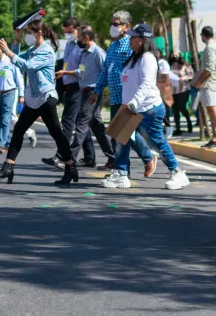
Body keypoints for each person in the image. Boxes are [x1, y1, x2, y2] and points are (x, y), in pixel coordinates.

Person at [0, 20, 77, 185]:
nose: (28, 36)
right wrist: (16, 41)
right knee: (19, 130)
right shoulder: (31, 50)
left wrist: (7, 50)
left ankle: (70, 166)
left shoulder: (46, 52)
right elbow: (16, 62)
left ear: (39, 33)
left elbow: (27, 65)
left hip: (46, 97)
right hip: (33, 98)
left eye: (29, 33)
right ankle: (8, 167)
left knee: (57, 133)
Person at [104, 23, 190, 190]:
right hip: (132, 109)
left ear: (142, 40)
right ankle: (121, 175)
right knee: (122, 140)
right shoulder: (134, 58)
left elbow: (146, 84)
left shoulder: (148, 58)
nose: (129, 39)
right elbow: (129, 85)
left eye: (133, 36)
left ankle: (178, 173)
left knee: (155, 142)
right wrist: (125, 106)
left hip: (149, 109)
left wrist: (133, 103)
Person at [88, 11, 157, 176]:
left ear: (127, 26)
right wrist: (96, 91)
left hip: (128, 96)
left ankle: (123, 169)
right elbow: (106, 70)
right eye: (112, 23)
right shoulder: (112, 46)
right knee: (120, 134)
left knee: (122, 134)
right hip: (115, 96)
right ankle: (140, 160)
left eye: (117, 23)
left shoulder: (131, 44)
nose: (113, 27)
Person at [43, 17, 88, 169]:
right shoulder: (69, 44)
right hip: (68, 85)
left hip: (78, 86)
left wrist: (67, 72)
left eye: (69, 32)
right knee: (82, 123)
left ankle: (60, 156)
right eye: (65, 32)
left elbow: (83, 69)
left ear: (77, 30)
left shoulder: (82, 46)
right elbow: (66, 62)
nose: (67, 35)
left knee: (68, 122)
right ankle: (90, 157)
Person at [66, 26, 114, 166]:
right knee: (98, 127)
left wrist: (97, 91)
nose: (78, 40)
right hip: (84, 92)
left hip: (92, 93)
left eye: (79, 37)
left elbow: (105, 73)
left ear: (86, 37)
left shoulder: (98, 53)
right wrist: (66, 73)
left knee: (81, 124)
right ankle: (112, 156)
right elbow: (81, 72)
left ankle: (70, 157)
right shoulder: (84, 53)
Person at [195, 26, 216, 149]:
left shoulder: (210, 48)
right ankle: (215, 137)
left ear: (203, 35)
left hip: (209, 83)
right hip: (211, 83)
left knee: (213, 111)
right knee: (210, 111)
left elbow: (209, 68)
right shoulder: (215, 47)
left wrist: (198, 81)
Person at [169, 53, 193, 136]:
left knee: (182, 108)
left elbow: (191, 74)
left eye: (176, 54)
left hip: (184, 89)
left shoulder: (185, 64)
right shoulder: (169, 65)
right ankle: (178, 128)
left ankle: (189, 122)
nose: (175, 56)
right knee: (175, 110)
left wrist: (184, 78)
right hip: (172, 91)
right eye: (173, 54)